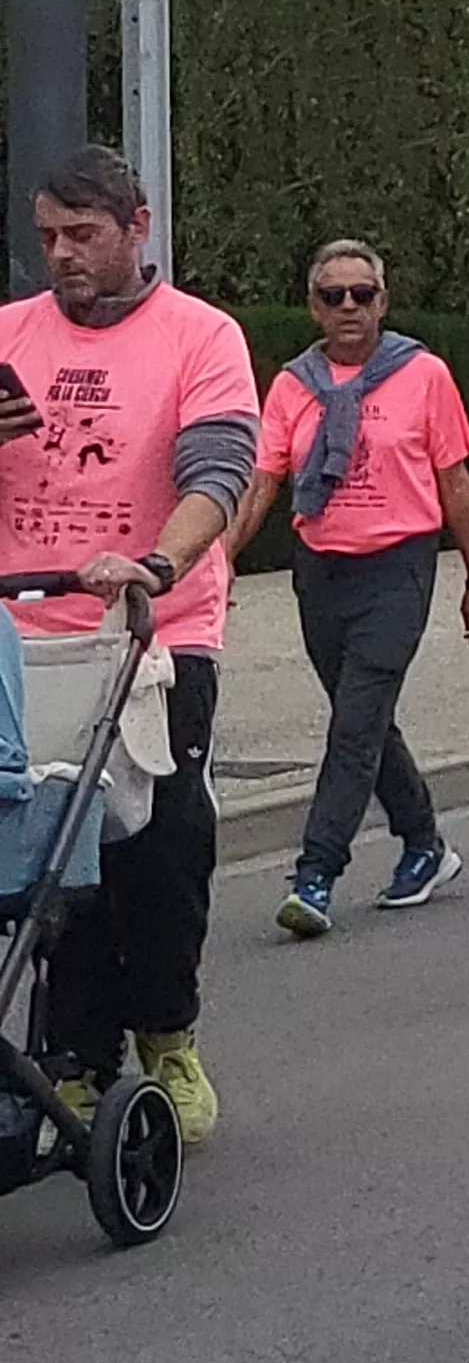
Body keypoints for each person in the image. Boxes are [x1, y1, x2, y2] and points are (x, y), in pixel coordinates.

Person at [0, 146, 258, 1142]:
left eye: (83, 235)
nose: (62, 254)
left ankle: (166, 1032)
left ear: (136, 227)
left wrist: (154, 559)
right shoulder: (13, 335)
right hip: (24, 630)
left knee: (156, 842)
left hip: (153, 629)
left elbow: (219, 468)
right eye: (48, 236)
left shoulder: (201, 338)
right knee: (46, 853)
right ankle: (69, 1053)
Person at [232, 239, 469, 937]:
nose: (349, 307)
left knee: (353, 725)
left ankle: (316, 874)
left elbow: (454, 481)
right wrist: (220, 555)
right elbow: (265, 480)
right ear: (314, 306)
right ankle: (425, 844)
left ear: (383, 301)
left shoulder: (423, 374)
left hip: (398, 567)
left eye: (362, 294)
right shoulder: (292, 386)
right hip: (320, 568)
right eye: (333, 296)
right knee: (365, 721)